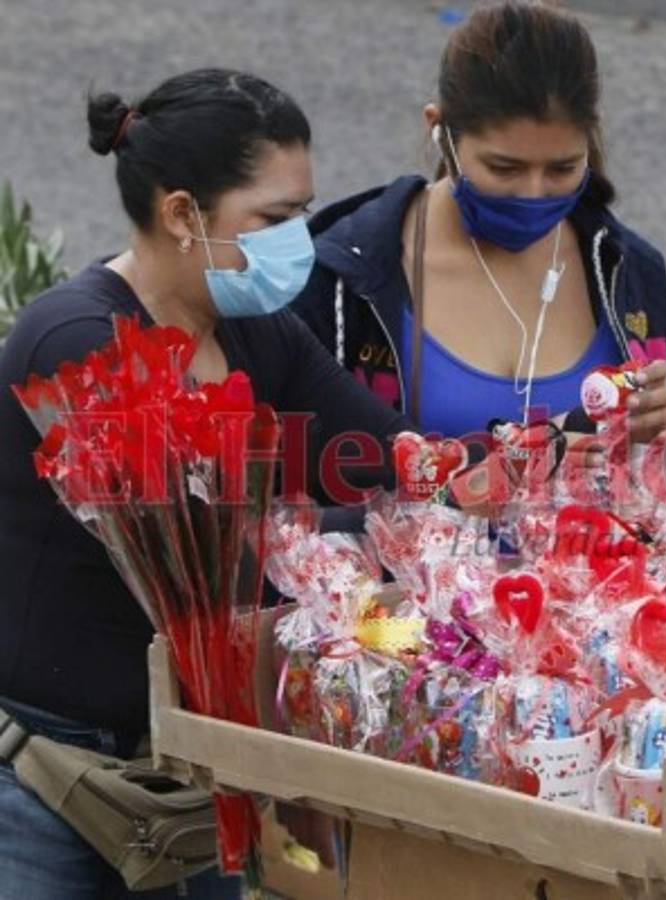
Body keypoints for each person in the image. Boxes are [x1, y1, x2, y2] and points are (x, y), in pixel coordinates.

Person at [0, 69, 411, 898]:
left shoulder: (256, 329)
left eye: (301, 212)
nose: (300, 238)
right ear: (184, 214)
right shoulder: (79, 343)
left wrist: (517, 460)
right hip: (50, 786)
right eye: (275, 218)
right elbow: (209, 552)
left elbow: (385, 459)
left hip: (192, 771)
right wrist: (372, 541)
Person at [293, 0, 666, 450]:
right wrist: (509, 470)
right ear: (440, 131)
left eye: (562, 168)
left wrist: (652, 430)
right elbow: (299, 492)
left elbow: (651, 486)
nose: (534, 193)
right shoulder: (343, 282)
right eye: (504, 168)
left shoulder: (628, 271)